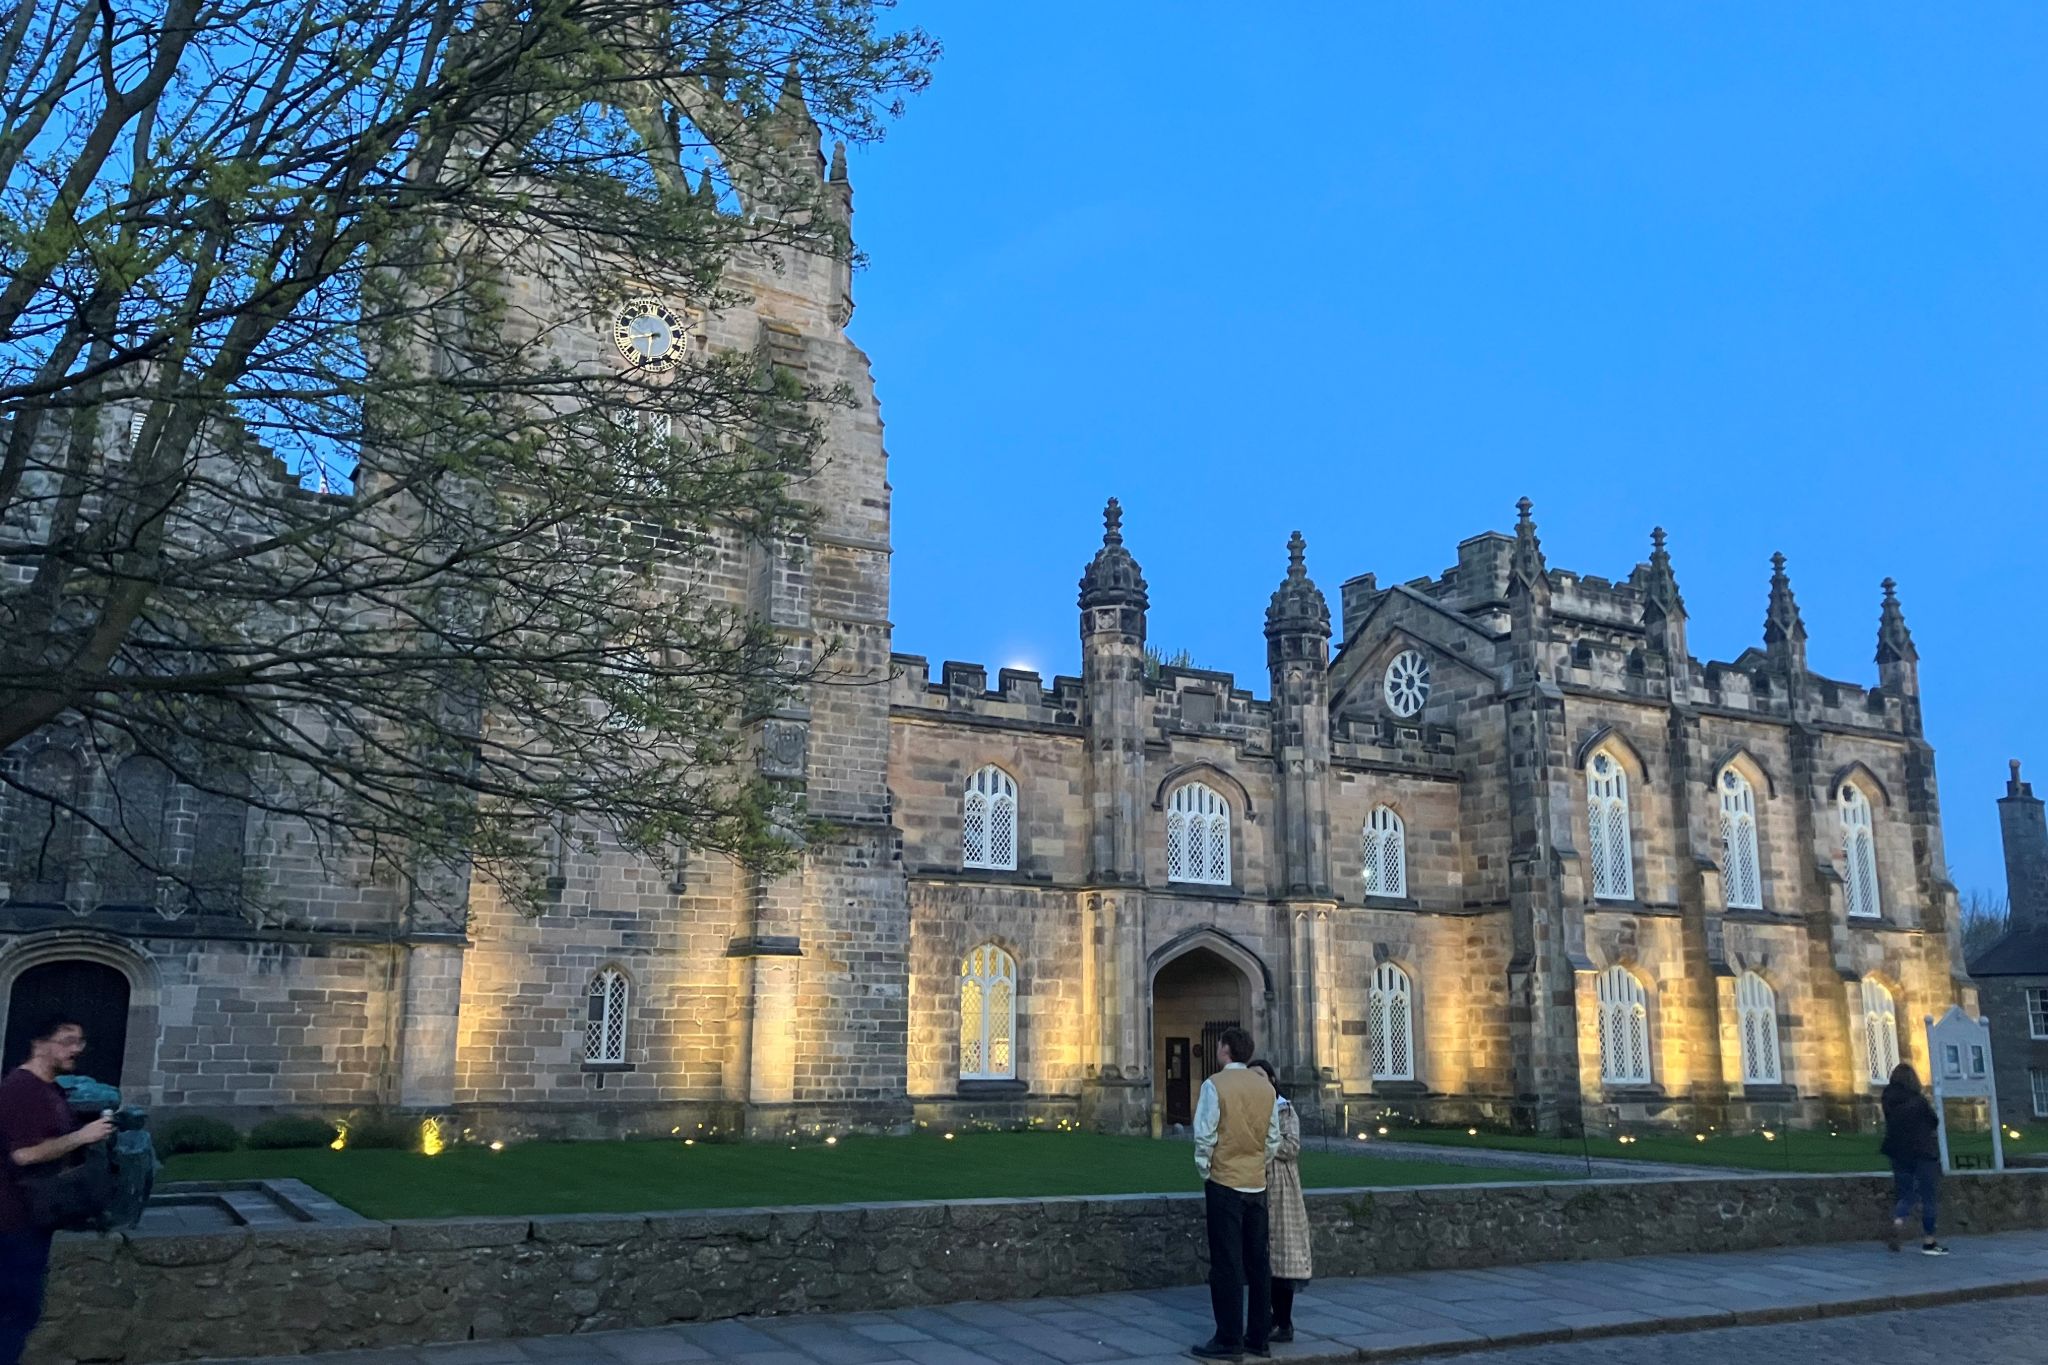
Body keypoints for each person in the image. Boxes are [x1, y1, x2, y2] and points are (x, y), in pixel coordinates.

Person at [0, 1019, 114, 1365]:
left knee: (21, 1313)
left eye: (80, 1041)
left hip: (34, 1219)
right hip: (13, 1221)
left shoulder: (50, 1088)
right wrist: (81, 1137)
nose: (76, 1049)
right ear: (39, 1044)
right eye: (67, 1041)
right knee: (14, 1315)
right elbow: (23, 1154)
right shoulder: (22, 1089)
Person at [1191, 1026, 1281, 1362]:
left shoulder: (1215, 1085)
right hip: (1256, 1183)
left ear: (1225, 1048)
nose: (1217, 1048)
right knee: (1258, 1263)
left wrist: (1207, 1171)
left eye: (1219, 1045)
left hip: (1225, 1182)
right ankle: (1258, 1336)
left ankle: (1229, 1339)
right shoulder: (1265, 1088)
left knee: (1227, 1263)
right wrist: (1256, 1164)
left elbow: (1205, 1135)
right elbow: (1273, 1139)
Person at [1247, 1060, 1311, 1343]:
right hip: (1256, 1183)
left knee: (1284, 1255)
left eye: (1260, 1076)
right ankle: (1269, 1318)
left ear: (1272, 1079)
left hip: (1281, 1186)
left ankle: (1284, 1322)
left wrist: (1261, 1140)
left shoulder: (1284, 1109)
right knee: (1263, 1257)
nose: (1256, 1082)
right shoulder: (1248, 1108)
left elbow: (1292, 1146)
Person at [1879, 1061, 1948, 1256]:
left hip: (1898, 1152)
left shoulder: (1888, 1099)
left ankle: (1898, 1220)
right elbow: (1933, 1121)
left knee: (1906, 1194)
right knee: (1928, 1197)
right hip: (1923, 1152)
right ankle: (1929, 1241)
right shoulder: (1918, 1101)